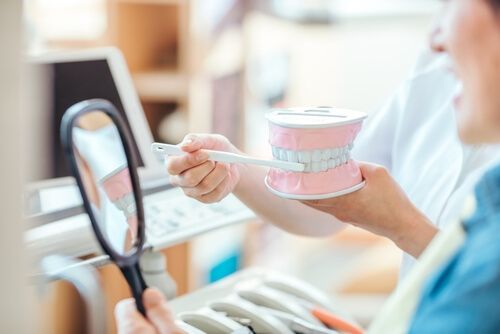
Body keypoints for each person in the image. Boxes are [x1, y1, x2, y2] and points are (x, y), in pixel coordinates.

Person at [116, 0, 500, 332]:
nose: (435, 36)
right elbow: (326, 204)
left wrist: (404, 227)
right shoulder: (436, 79)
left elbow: (483, 294)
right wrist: (238, 172)